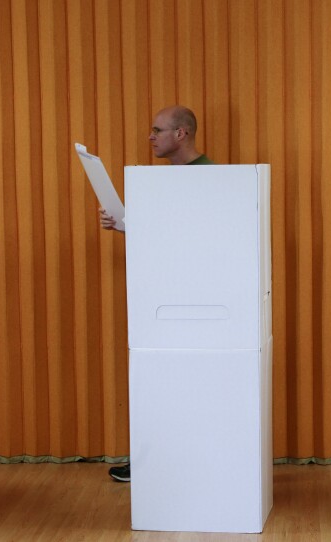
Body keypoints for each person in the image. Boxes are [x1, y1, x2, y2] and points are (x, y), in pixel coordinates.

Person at [100, 106, 214, 482]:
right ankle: (157, 464)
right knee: (160, 385)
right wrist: (125, 225)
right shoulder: (162, 182)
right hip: (162, 299)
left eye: (157, 130)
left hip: (195, 302)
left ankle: (191, 463)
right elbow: (168, 235)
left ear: (181, 134)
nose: (150, 136)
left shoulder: (211, 178)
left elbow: (203, 241)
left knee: (191, 387)